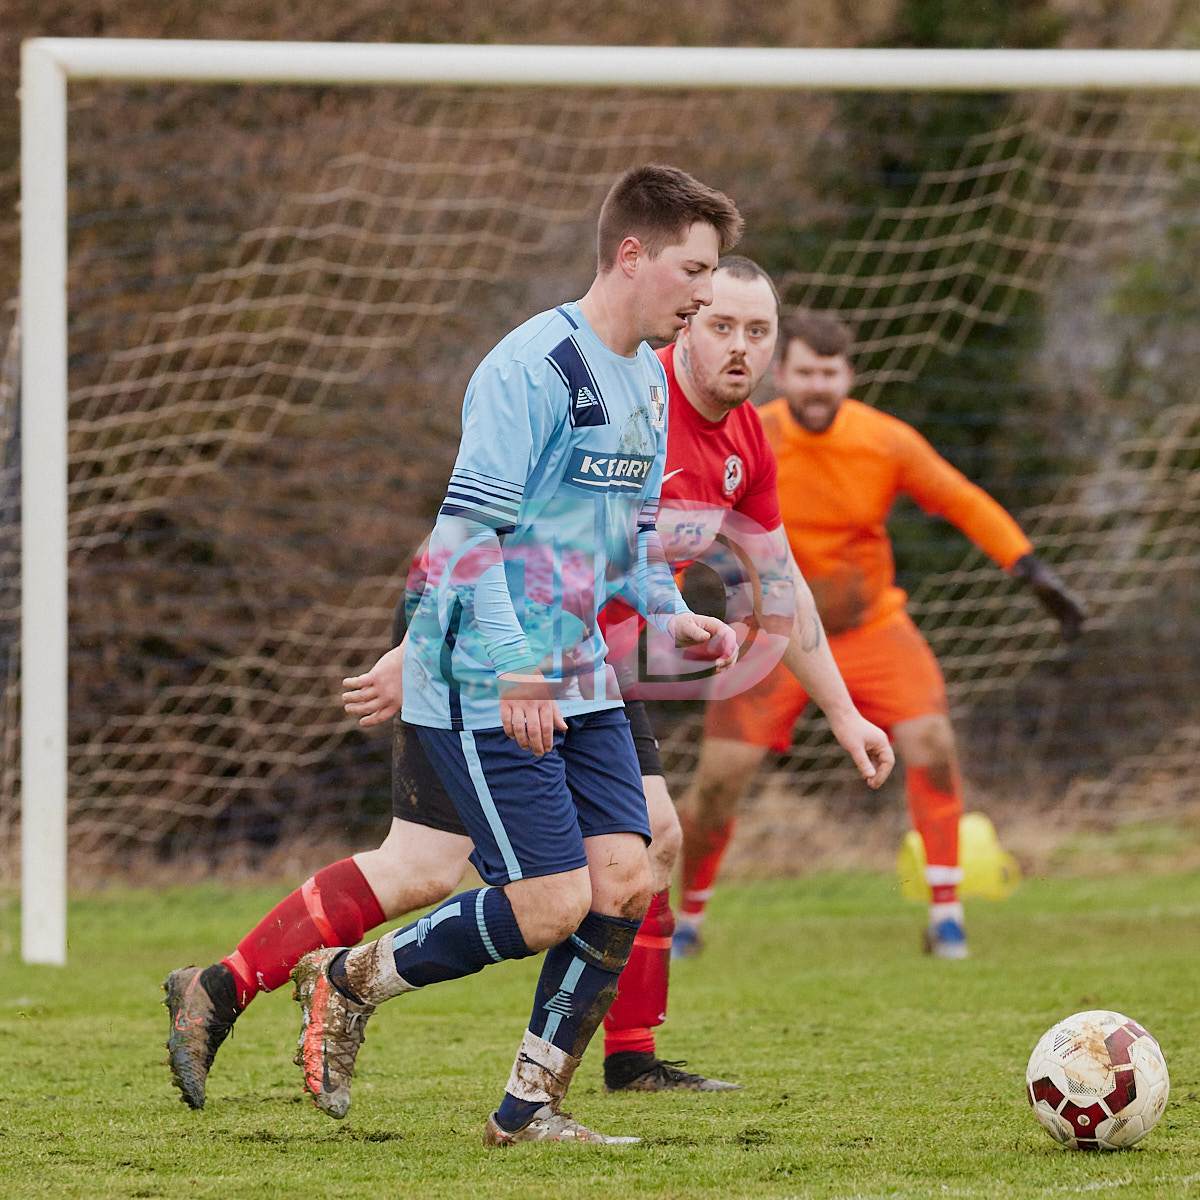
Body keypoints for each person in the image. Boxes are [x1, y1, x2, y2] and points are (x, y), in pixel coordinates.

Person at [163, 258, 893, 1114]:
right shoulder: (619, 385)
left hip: (588, 668)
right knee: (430, 868)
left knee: (638, 845)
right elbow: (476, 520)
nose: (739, 346)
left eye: (757, 331)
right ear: (685, 321)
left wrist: (844, 712)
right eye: (720, 324)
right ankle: (247, 984)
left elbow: (777, 582)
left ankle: (622, 1054)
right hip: (494, 651)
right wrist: (418, 646)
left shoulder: (744, 440)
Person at [172, 163, 742, 1147]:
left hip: (578, 673)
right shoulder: (532, 368)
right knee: (550, 903)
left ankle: (527, 1112)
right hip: (486, 673)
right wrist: (516, 665)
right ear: (632, 256)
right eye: (693, 271)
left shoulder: (649, 379)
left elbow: (630, 534)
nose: (703, 293)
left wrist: (669, 609)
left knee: (627, 875)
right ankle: (345, 979)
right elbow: (467, 535)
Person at [675, 309, 1086, 961]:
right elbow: (686, 517)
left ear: (849, 376)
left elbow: (959, 498)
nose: (817, 386)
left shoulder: (884, 441)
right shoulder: (749, 436)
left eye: (829, 374)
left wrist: (1029, 567)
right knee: (721, 779)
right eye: (805, 373)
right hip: (771, 634)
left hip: (873, 628)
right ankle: (687, 919)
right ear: (782, 374)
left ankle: (946, 917)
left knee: (932, 741)